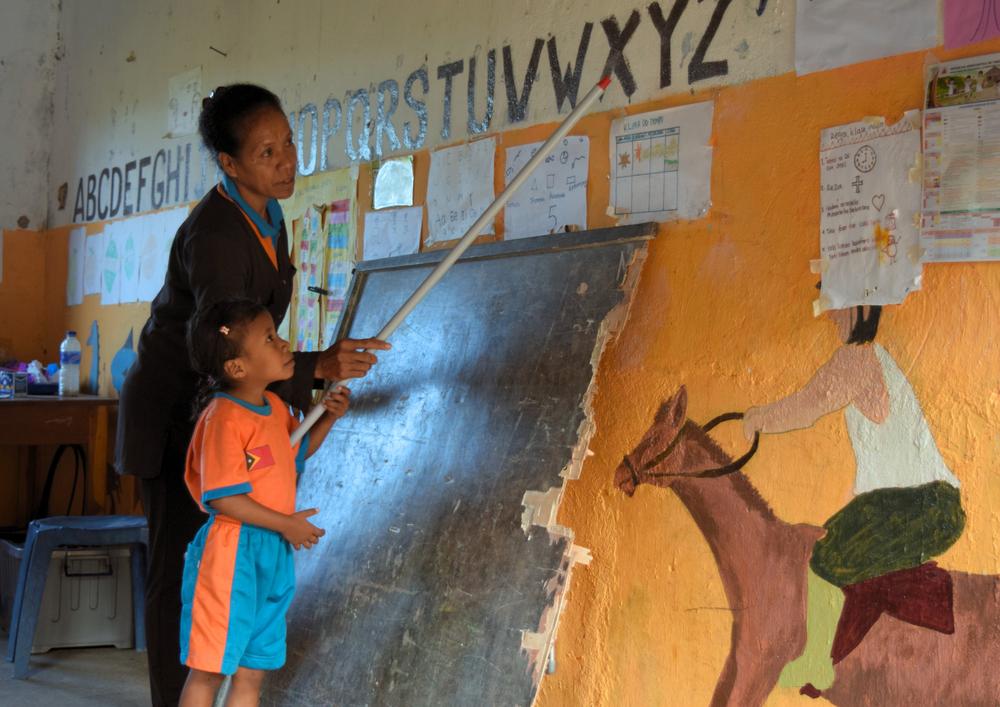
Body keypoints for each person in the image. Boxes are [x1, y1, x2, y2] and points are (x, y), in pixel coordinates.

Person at [116, 83, 390, 706]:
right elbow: (230, 352)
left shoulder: (267, 214)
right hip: (177, 416)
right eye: (267, 153)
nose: (286, 161)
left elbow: (255, 348)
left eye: (288, 143)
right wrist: (315, 365)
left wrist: (314, 380)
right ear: (230, 164)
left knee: (231, 585)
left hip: (225, 404)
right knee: (184, 580)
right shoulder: (216, 235)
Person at [742, 302, 964, 691]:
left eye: (836, 305)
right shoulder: (874, 360)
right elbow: (879, 465)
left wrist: (759, 418)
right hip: (916, 503)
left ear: (859, 308)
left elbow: (808, 406)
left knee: (826, 556)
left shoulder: (856, 360)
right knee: (831, 538)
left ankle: (817, 663)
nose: (829, 314)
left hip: (924, 506)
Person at [178, 299, 345, 706]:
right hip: (231, 552)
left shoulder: (274, 407)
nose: (283, 343)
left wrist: (328, 418)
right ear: (237, 368)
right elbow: (225, 499)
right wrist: (287, 524)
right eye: (269, 338)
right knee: (210, 669)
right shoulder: (223, 418)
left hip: (271, 552)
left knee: (252, 670)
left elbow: (296, 453)